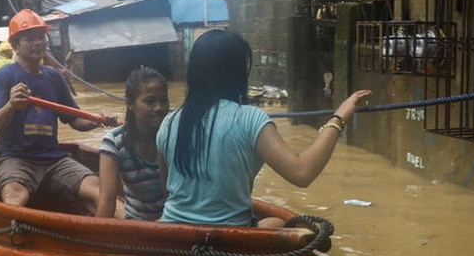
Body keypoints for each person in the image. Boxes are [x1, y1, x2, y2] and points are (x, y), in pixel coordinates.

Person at [156, 29, 371, 227]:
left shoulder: (169, 122)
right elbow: (302, 173)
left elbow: (169, 191)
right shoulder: (250, 118)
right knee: (277, 225)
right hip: (230, 239)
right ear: (238, 74)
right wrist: (339, 117)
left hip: (174, 234)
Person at [0, 9, 117, 213]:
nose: (38, 43)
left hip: (54, 159)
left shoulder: (54, 77)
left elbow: (75, 120)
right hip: (16, 158)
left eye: (40, 37)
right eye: (29, 38)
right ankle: (16, 235)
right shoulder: (4, 76)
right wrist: (11, 104)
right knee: (14, 195)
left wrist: (99, 120)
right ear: (16, 45)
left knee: (100, 189)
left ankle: (110, 231)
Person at [96, 67, 169, 220]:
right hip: (137, 227)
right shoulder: (114, 142)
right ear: (130, 104)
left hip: (175, 221)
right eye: (150, 101)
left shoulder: (175, 134)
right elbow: (108, 201)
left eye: (163, 100)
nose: (159, 108)